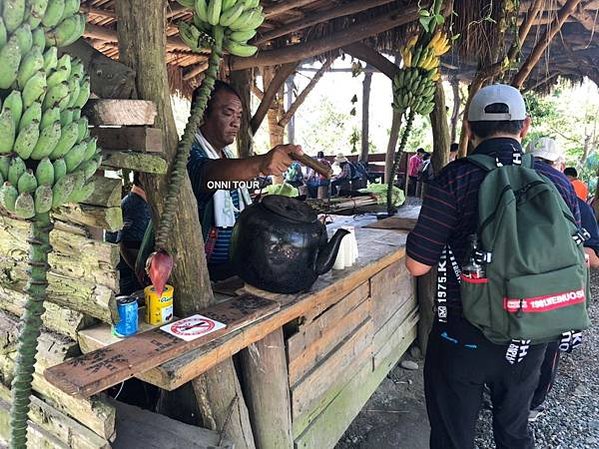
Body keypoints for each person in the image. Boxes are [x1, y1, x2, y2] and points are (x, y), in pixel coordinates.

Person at [405, 85, 581, 449]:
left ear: (469, 130)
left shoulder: (454, 178)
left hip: (463, 335)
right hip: (531, 332)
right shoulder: (557, 183)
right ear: (526, 126)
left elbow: (417, 265)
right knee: (514, 432)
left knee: (454, 437)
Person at [187, 80, 302, 281]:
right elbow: (208, 175)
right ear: (202, 114)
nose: (236, 123)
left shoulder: (226, 155)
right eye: (228, 113)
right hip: (199, 275)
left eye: (239, 116)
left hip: (231, 269)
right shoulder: (187, 154)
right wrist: (261, 163)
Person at [526, 137, 599, 422]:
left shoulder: (506, 192)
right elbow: (592, 259)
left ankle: (512, 402)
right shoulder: (577, 203)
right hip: (556, 296)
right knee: (545, 348)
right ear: (561, 164)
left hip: (513, 290)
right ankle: (532, 404)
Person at [105, 172, 152, 296]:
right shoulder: (137, 207)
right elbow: (126, 246)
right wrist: (144, 276)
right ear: (142, 178)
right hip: (128, 282)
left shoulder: (133, 201)